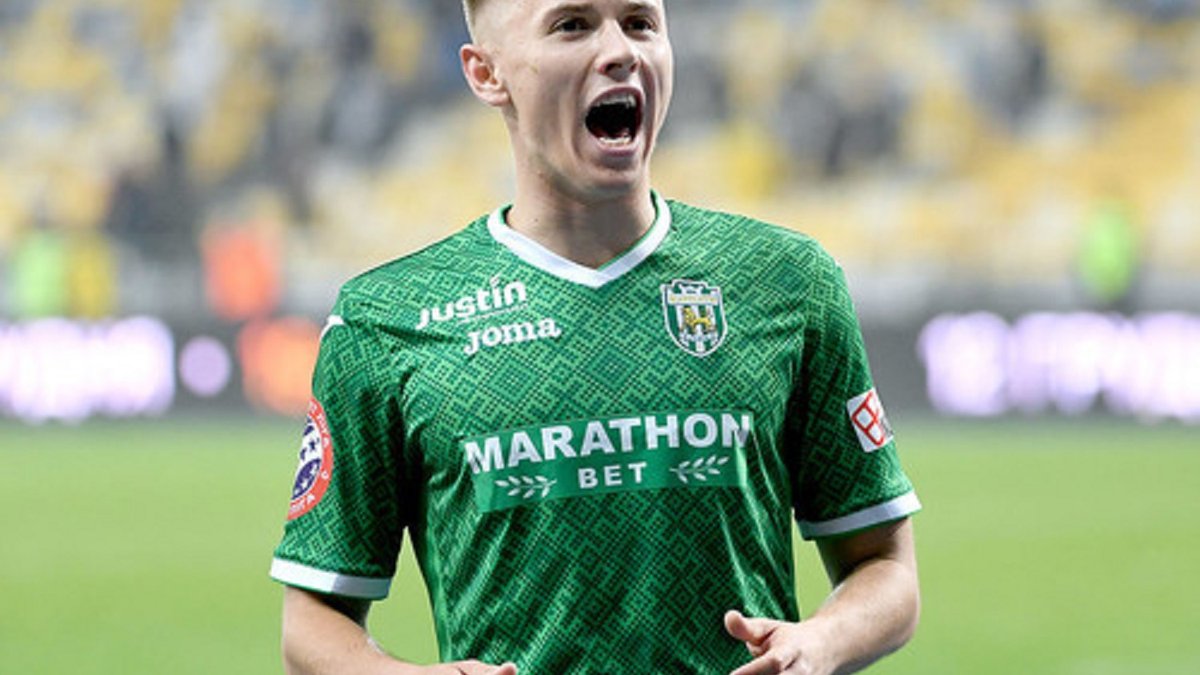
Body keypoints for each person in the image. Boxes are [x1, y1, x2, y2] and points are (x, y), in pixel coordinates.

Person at [270, 1, 921, 673]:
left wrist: (821, 642)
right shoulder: (386, 318)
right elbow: (312, 622)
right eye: (572, 25)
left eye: (640, 23)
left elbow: (885, 565)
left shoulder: (788, 280)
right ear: (487, 73)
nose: (620, 51)